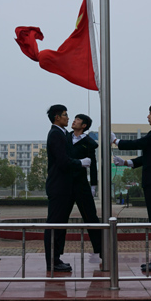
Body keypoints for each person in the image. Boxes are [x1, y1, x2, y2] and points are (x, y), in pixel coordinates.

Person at [112, 102, 151, 272]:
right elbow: (147, 158)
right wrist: (126, 162)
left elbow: (139, 143)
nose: (148, 116)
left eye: (150, 113)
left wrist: (116, 141)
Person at [43, 104, 90, 272]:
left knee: (60, 225)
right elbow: (63, 161)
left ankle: (56, 259)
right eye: (65, 115)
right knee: (54, 224)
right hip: (58, 186)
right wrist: (80, 163)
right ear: (57, 117)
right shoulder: (55, 134)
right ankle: (52, 261)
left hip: (64, 186)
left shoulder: (62, 134)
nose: (68, 118)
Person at [67, 113, 102, 257]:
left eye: (78, 120)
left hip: (81, 184)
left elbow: (93, 165)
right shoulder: (65, 138)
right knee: (60, 218)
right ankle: (56, 255)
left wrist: (93, 185)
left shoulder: (89, 142)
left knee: (91, 217)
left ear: (84, 126)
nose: (74, 121)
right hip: (66, 183)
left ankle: (100, 250)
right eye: (74, 119)